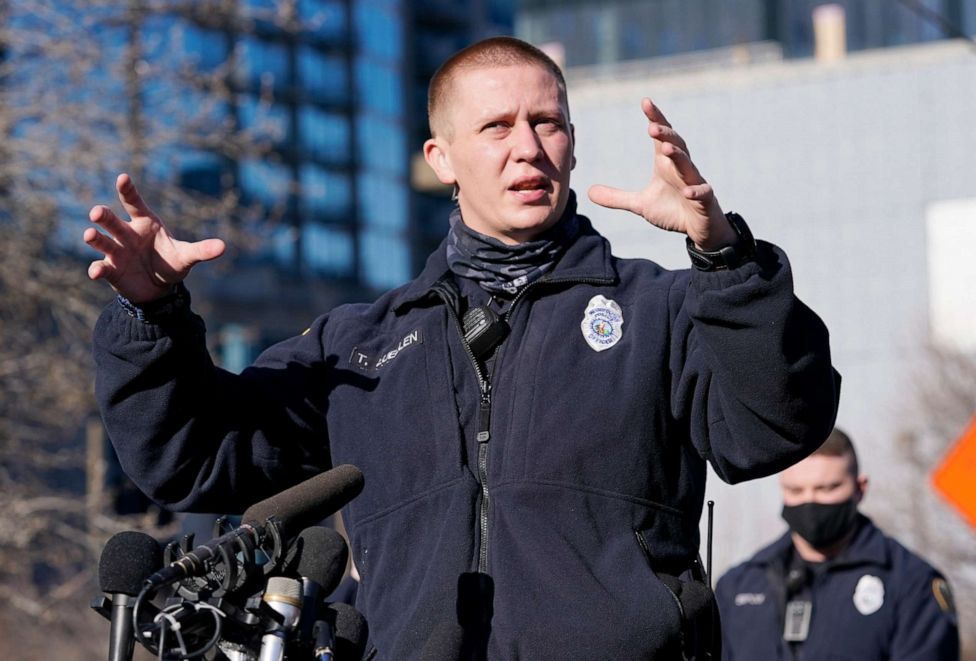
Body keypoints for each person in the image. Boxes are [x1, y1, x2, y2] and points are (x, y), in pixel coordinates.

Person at [84, 36, 840, 660]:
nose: (528, 149)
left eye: (548, 123)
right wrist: (149, 314)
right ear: (441, 157)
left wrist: (724, 259)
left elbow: (773, 426)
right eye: (497, 127)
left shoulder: (661, 308)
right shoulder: (359, 343)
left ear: (572, 145)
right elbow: (191, 456)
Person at [716, 428, 959, 660]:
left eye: (827, 489)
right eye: (796, 490)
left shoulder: (910, 582)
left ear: (860, 488)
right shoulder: (738, 585)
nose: (810, 501)